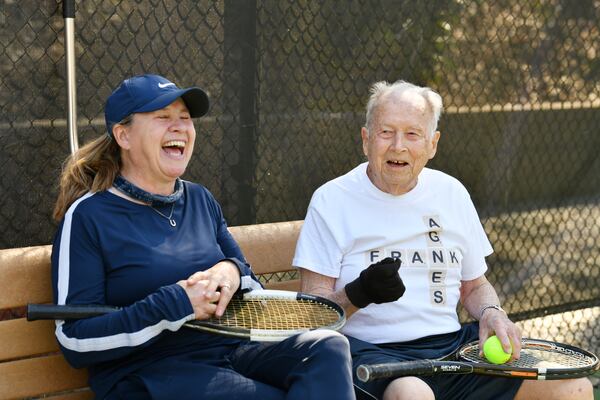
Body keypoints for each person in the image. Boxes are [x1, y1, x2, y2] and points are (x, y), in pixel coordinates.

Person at [51, 74, 356, 400]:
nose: (180, 127)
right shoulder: (87, 217)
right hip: (151, 373)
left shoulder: (199, 200)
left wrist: (231, 272)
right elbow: (75, 340)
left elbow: (253, 286)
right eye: (163, 118)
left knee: (327, 348)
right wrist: (176, 303)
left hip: (231, 353)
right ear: (123, 135)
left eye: (185, 118)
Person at [292, 80, 593, 400]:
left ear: (432, 144)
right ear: (366, 140)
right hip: (372, 355)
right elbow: (313, 317)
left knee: (573, 389)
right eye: (386, 132)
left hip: (454, 351)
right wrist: (359, 292)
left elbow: (475, 286)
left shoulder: (452, 193)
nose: (398, 146)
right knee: (413, 394)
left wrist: (492, 312)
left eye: (412, 134)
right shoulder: (331, 201)